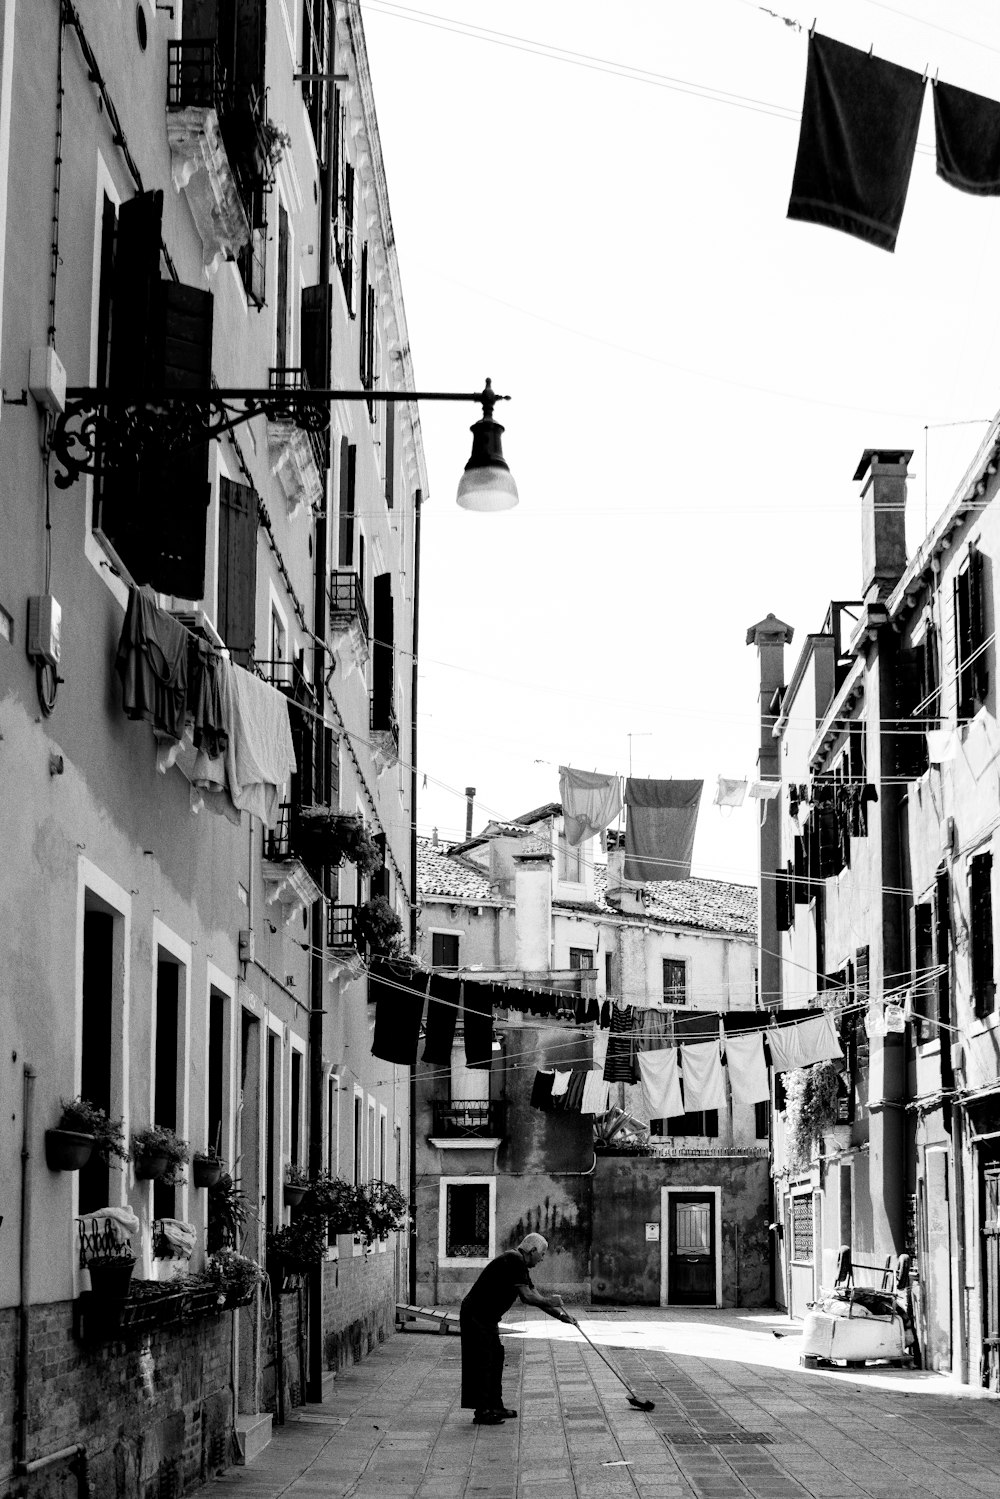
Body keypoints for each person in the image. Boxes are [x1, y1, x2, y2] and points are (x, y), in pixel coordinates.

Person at [460, 1232, 576, 1426]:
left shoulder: (519, 1263)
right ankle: (483, 1411)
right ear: (532, 1251)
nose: (543, 1259)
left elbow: (534, 1295)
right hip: (476, 1315)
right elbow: (527, 1298)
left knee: (496, 1357)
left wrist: (563, 1317)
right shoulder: (513, 1260)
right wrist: (551, 1301)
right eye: (543, 1254)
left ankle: (495, 1405)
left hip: (486, 1318)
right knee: (484, 1360)